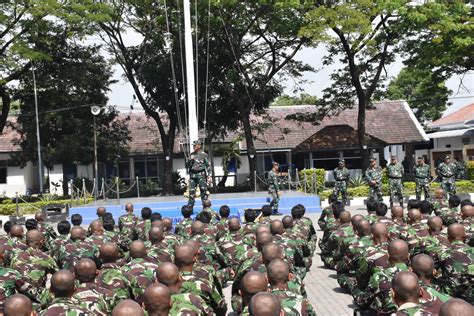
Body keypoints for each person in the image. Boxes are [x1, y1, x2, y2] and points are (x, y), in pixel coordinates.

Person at [186, 140, 211, 207]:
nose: (193, 147)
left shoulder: (204, 155)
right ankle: (190, 207)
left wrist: (209, 175)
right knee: (191, 192)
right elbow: (187, 166)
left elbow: (208, 165)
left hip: (201, 175)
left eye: (195, 145)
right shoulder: (191, 155)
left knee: (203, 191)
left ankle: (205, 207)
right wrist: (190, 160)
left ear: (199, 146)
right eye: (193, 145)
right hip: (193, 175)